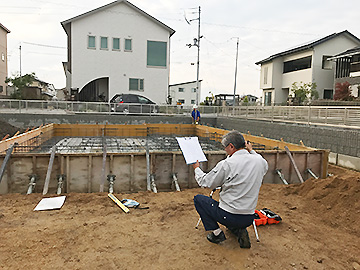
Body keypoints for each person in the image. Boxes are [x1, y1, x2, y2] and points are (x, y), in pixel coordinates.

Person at [192, 130, 268, 248]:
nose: (225, 150)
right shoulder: (260, 161)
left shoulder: (227, 164)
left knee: (199, 200)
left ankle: (217, 234)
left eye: (225, 147)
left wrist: (196, 168)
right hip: (249, 217)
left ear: (231, 146)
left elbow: (205, 182)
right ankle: (239, 230)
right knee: (234, 210)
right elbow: (260, 160)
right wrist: (251, 150)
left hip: (229, 216)